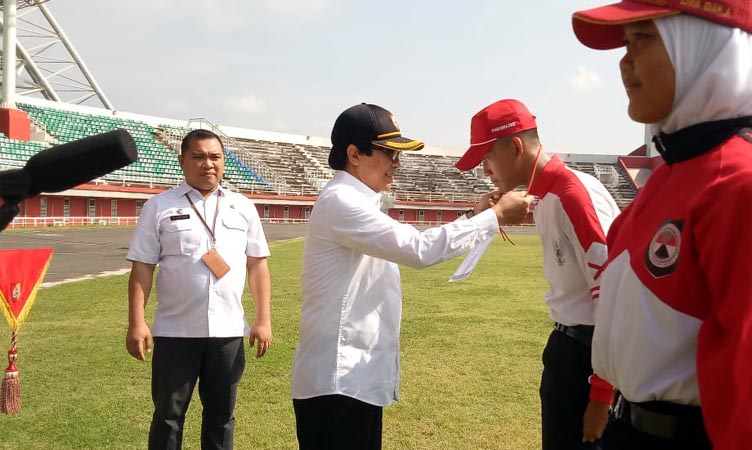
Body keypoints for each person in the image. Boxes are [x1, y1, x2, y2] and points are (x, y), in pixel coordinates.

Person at [571, 1, 752, 449]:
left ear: (702, 45)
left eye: (643, 38)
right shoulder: (670, 172)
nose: (624, 62)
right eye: (626, 42)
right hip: (626, 427)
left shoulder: (751, 184)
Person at [291, 102, 533, 450]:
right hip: (338, 381)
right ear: (355, 154)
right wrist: (493, 216)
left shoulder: (353, 200)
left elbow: (411, 244)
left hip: (350, 379)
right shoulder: (342, 201)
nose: (397, 163)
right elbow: (419, 249)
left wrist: (473, 215)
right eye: (389, 153)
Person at [455, 99, 620, 450]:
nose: (484, 170)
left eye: (486, 158)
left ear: (515, 146)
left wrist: (602, 393)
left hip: (587, 358)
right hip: (568, 350)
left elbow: (612, 294)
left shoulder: (573, 195)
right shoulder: (546, 196)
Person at [125, 129, 272, 450]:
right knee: (168, 415)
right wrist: (137, 322)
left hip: (228, 333)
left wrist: (263, 319)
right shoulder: (159, 207)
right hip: (175, 333)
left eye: (215, 157)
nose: (208, 164)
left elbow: (258, 265)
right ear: (182, 161)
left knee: (221, 416)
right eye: (199, 156)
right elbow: (142, 267)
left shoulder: (242, 206)